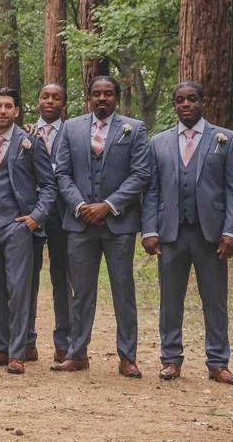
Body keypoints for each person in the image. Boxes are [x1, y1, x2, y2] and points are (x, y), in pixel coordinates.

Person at [141, 81, 233, 385]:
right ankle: (171, 359)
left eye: (192, 99)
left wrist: (231, 231)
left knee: (214, 300)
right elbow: (151, 191)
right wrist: (149, 230)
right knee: (170, 300)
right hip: (171, 233)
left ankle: (217, 361)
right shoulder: (158, 142)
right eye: (180, 100)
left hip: (210, 235)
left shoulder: (225, 139)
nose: (186, 104)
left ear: (203, 102)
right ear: (174, 105)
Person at [51, 76, 152, 378]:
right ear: (89, 98)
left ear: (116, 97)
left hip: (118, 224)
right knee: (81, 292)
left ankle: (127, 356)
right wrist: (80, 205)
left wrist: (108, 205)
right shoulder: (71, 128)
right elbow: (62, 173)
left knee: (123, 290)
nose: (102, 98)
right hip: (80, 224)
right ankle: (78, 354)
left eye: (108, 94)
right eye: (96, 94)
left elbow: (141, 174)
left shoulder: (134, 129)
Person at [0, 88, 56, 374]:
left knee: (18, 289)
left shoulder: (30, 141)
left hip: (18, 224)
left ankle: (18, 352)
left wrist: (35, 217)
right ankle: (1, 348)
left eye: (8, 106)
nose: (3, 111)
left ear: (17, 111)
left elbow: (49, 185)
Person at [26, 83, 72, 363]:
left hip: (64, 215)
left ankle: (64, 343)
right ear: (38, 101)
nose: (50, 101)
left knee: (62, 279)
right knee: (27, 279)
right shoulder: (25, 133)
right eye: (45, 96)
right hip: (32, 213)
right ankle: (26, 341)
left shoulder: (75, 132)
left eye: (56, 97)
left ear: (63, 104)